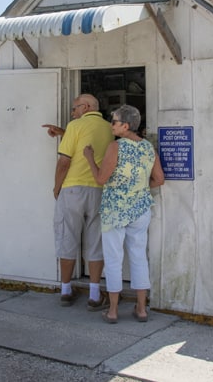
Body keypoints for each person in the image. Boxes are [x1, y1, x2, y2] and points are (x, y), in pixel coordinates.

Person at [83, 104, 165, 324]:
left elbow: (101, 179)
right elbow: (159, 179)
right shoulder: (148, 148)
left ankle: (112, 311)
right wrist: (136, 186)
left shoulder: (115, 147)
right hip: (140, 209)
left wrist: (89, 158)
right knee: (139, 257)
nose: (111, 125)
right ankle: (141, 309)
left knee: (113, 259)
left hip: (115, 210)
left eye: (115, 122)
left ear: (125, 126)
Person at [42, 94, 113, 310]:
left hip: (73, 189)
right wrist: (65, 133)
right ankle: (94, 293)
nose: (72, 112)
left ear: (87, 107)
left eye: (75, 108)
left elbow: (64, 162)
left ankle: (65, 290)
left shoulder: (75, 125)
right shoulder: (110, 128)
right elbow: (89, 142)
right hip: (99, 190)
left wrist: (56, 188)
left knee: (67, 236)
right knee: (96, 240)